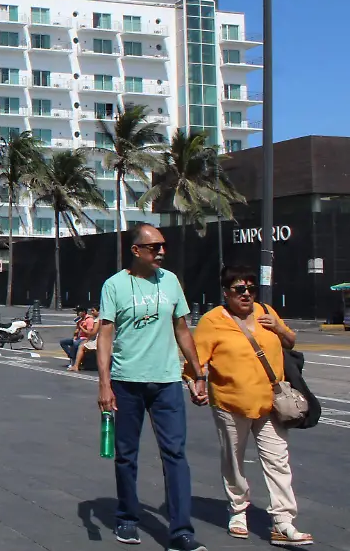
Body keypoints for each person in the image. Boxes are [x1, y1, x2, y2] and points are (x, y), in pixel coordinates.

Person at [96, 223, 207, 551]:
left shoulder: (170, 281)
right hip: (127, 381)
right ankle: (127, 517)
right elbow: (105, 335)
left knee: (175, 455)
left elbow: (182, 329)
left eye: (163, 246)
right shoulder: (114, 285)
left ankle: (180, 532)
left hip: (167, 382)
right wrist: (104, 385)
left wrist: (197, 373)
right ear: (136, 251)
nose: (161, 252)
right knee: (126, 455)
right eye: (154, 247)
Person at [184, 266, 313, 545]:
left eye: (251, 289)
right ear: (226, 292)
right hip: (231, 403)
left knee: (278, 460)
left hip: (270, 403)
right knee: (234, 459)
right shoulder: (213, 321)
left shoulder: (266, 312)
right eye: (239, 289)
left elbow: (290, 341)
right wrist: (195, 382)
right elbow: (197, 360)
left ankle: (283, 521)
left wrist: (278, 327)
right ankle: (238, 510)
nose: (246, 294)